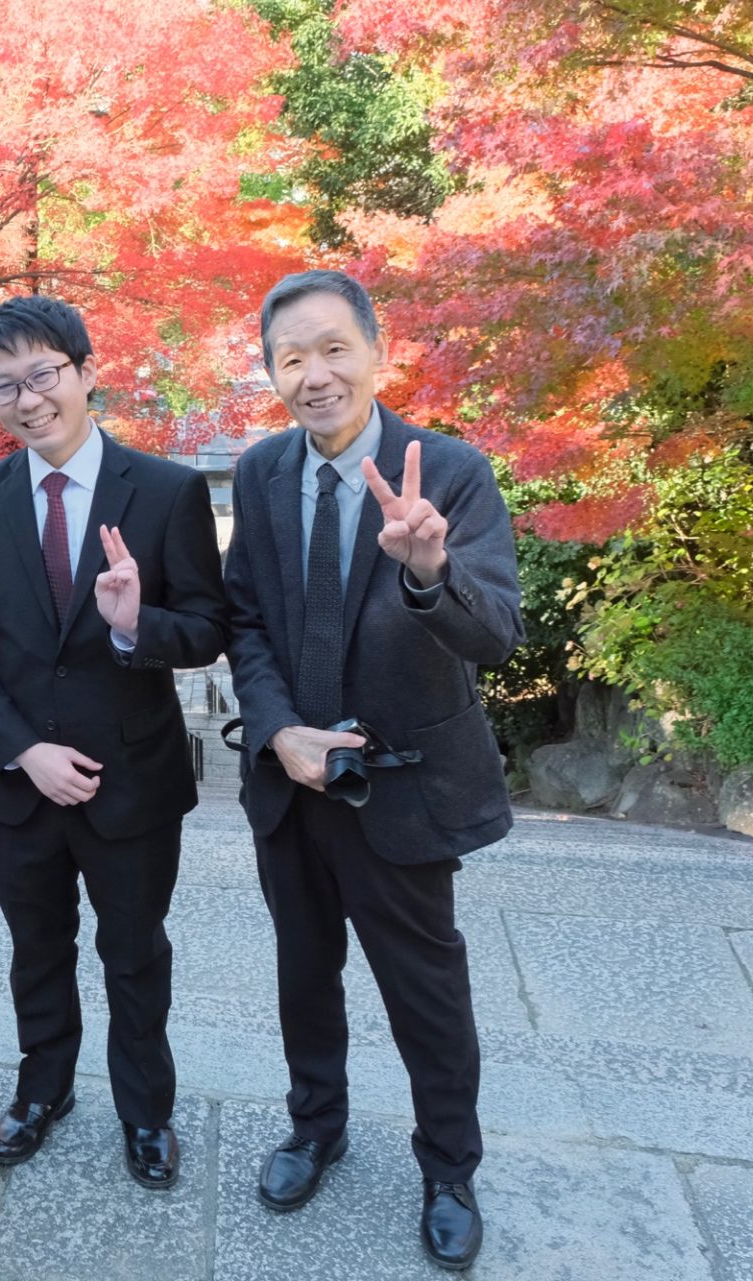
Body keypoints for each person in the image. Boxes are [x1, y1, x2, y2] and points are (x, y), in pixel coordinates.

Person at [222, 269, 524, 1271]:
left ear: (376, 353)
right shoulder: (264, 474)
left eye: (333, 348)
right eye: (291, 358)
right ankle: (316, 1126)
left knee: (425, 990)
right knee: (305, 975)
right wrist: (277, 733)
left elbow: (498, 638)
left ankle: (448, 1166)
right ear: (273, 372)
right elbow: (247, 620)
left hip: (404, 789)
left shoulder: (449, 471)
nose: (315, 375)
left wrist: (430, 573)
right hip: (294, 786)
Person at [0, 295, 229, 1189]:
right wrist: (22, 749)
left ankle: (146, 1112)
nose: (28, 398)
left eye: (44, 374)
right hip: (23, 784)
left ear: (86, 372)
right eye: (6, 384)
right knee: (36, 948)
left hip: (132, 779)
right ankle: (42, 1090)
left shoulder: (167, 490)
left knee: (135, 953)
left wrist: (140, 626)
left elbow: (210, 627)